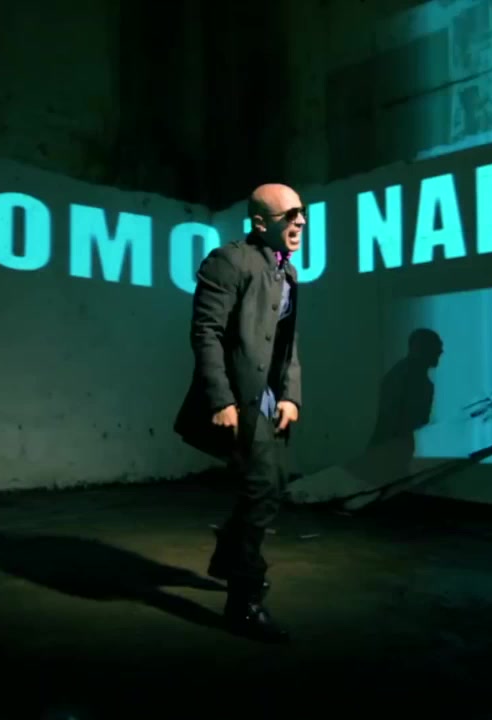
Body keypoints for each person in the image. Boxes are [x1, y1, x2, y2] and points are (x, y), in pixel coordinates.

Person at [173, 182, 305, 642]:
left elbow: (287, 344)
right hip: (239, 398)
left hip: (268, 400)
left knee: (273, 484)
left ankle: (227, 554)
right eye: (290, 215)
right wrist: (221, 399)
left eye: (302, 213)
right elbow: (206, 332)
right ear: (260, 222)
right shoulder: (228, 261)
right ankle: (244, 602)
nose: (300, 222)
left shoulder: (287, 272)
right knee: (262, 487)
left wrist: (290, 395)